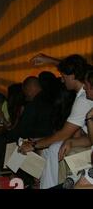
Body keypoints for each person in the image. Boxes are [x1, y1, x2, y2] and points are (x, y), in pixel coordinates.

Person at [19, 54, 93, 188]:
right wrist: (50, 60)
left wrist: (35, 145)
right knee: (48, 148)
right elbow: (77, 69)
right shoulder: (84, 90)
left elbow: (64, 133)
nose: (62, 81)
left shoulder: (84, 98)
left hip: (88, 143)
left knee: (53, 148)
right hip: (86, 139)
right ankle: (43, 183)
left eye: (63, 77)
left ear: (72, 76)